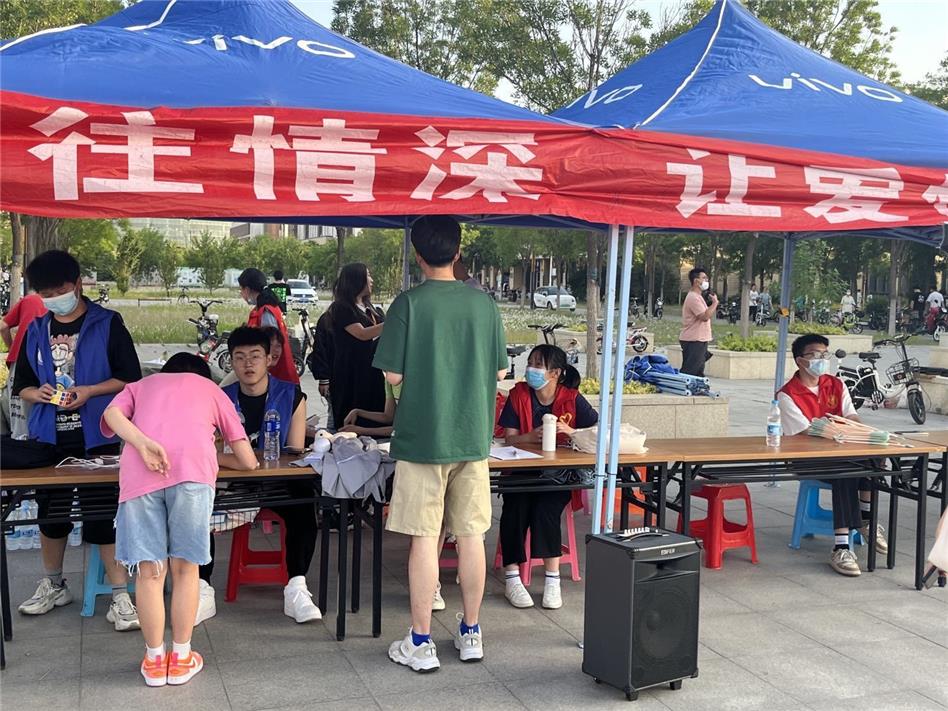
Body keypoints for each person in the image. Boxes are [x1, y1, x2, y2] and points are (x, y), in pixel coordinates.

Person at [375, 215, 508, 673]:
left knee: (424, 539)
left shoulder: (407, 305)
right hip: (472, 437)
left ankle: (420, 641)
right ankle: (471, 632)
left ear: (417, 255)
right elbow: (500, 372)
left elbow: (393, 376)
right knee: (471, 537)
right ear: (458, 252)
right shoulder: (484, 305)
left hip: (421, 439)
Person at [102, 353, 257, 687]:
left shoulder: (140, 386)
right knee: (186, 570)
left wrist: (143, 443)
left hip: (139, 476)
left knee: (149, 572)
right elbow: (248, 460)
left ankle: (154, 660)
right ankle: (182, 657)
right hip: (192, 475)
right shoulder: (212, 390)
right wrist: (209, 453)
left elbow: (111, 415)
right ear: (202, 375)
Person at [10, 251, 142, 630]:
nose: (55, 298)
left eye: (60, 290)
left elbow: (130, 378)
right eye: (46, 293)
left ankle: (120, 595)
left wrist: (90, 391)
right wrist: (40, 393)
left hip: (97, 434)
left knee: (102, 515)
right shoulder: (35, 329)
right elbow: (23, 386)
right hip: (48, 438)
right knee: (52, 515)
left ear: (78, 283)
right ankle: (54, 584)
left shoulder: (107, 323)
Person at [197, 327, 321, 624]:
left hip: (276, 483)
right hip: (232, 483)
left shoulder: (292, 396)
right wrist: (241, 462)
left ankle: (297, 587)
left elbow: (294, 451)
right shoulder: (219, 399)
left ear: (269, 359)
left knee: (304, 501)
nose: (248, 364)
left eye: (255, 356)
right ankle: (202, 588)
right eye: (240, 357)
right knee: (196, 502)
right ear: (231, 362)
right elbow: (209, 449)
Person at [777, 334, 888, 577]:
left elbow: (851, 415)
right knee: (845, 470)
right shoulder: (787, 394)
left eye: (825, 354)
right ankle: (842, 546)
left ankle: (865, 520)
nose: (822, 359)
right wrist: (837, 431)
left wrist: (860, 431)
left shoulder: (836, 384)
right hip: (806, 459)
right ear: (800, 360)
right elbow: (807, 431)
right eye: (815, 354)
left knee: (876, 458)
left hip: (841, 452)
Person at [497, 345, 597, 610]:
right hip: (520, 470)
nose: (531, 369)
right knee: (515, 507)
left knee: (545, 509)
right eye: (530, 363)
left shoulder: (571, 398)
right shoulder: (519, 395)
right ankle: (512, 578)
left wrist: (571, 431)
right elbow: (509, 438)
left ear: (555, 373)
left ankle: (553, 580)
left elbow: (595, 431)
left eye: (538, 365)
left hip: (558, 474)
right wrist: (529, 437)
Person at [328, 263, 385, 431]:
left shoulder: (370, 308)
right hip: (350, 375)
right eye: (368, 276)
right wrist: (393, 322)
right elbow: (362, 334)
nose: (371, 280)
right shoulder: (342, 308)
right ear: (356, 280)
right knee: (350, 420)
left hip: (372, 371)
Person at [237, 268, 298, 384]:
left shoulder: (266, 311)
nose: (241, 293)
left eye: (241, 289)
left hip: (273, 374)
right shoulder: (265, 307)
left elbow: (271, 344)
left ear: (248, 289)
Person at [0, 289, 47, 439]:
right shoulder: (67, 305)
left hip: (21, 355)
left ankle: (19, 439)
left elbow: (3, 326)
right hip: (48, 359)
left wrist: (12, 347)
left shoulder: (30, 300)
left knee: (18, 405)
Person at [679, 267, 717, 377]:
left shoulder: (698, 297)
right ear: (696, 281)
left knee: (698, 372)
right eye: (704, 278)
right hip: (694, 340)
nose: (706, 281)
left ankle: (697, 386)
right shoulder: (693, 298)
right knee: (691, 372)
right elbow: (704, 316)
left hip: (700, 339)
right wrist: (715, 303)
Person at [310, 309, 335, 430]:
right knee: (334, 416)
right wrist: (324, 379)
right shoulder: (329, 318)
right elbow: (320, 349)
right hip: (335, 377)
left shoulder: (369, 312)